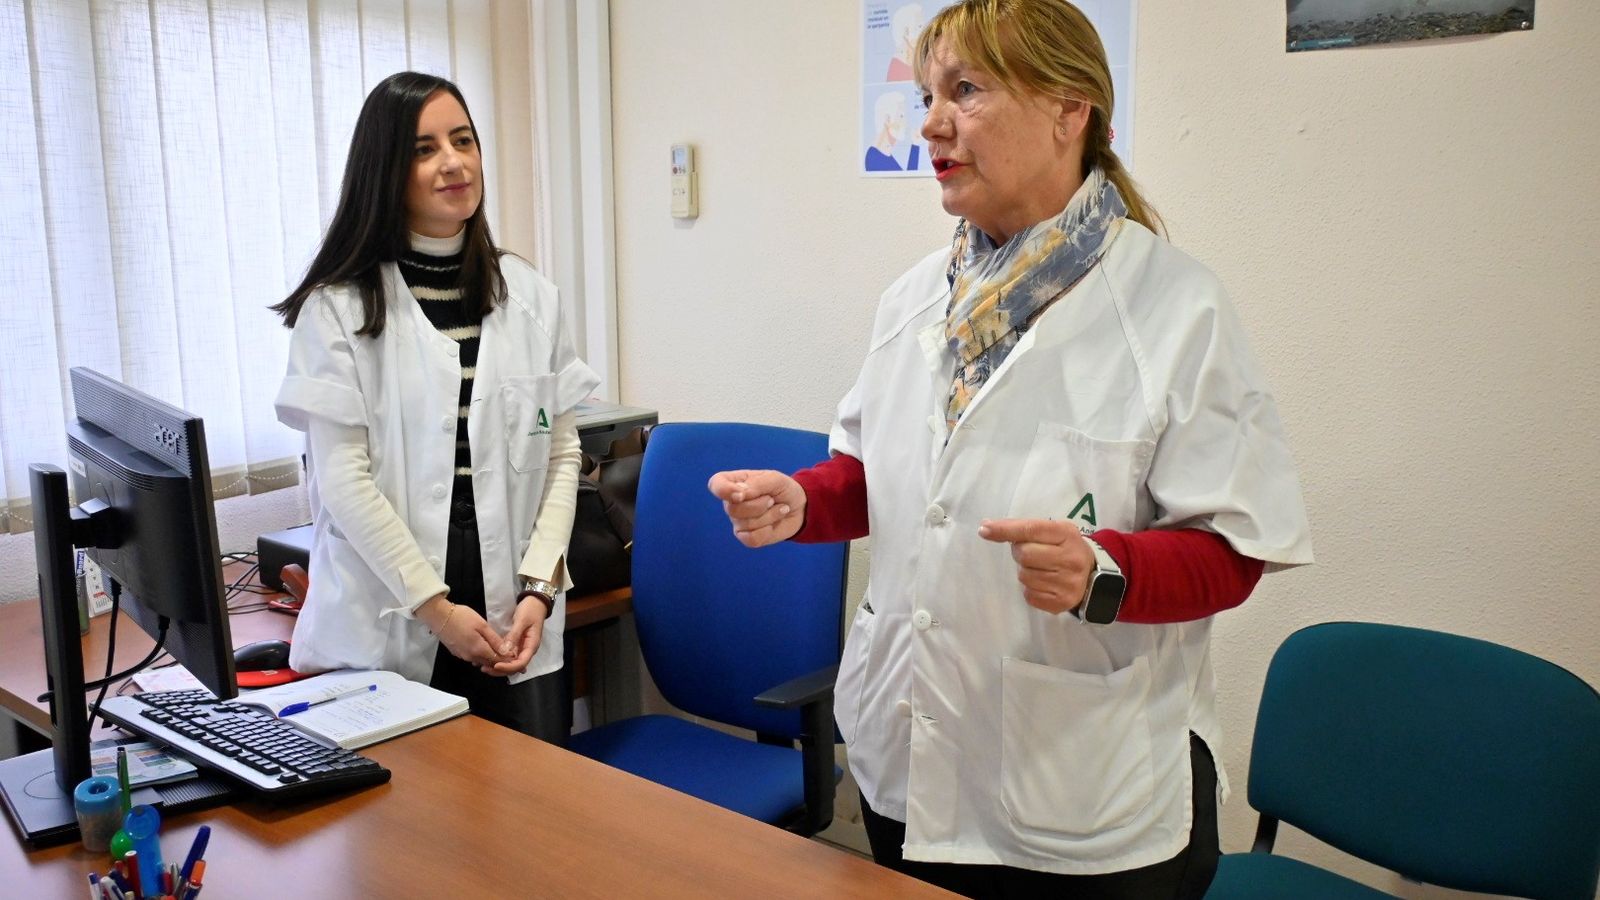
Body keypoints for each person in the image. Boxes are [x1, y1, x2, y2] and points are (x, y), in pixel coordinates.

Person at [708, 1, 1313, 897]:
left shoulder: (1177, 310)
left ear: (1072, 110)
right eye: (926, 95)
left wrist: (1108, 570)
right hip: (907, 754)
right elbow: (880, 477)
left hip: (1084, 795)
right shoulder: (915, 298)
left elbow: (1235, 550)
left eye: (967, 90)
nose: (931, 123)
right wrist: (806, 503)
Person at [271, 72, 599, 744]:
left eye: (463, 140)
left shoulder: (531, 297)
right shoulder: (339, 309)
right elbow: (343, 481)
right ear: (386, 171)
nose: (454, 162)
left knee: (529, 820)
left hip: (513, 608)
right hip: (396, 613)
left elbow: (562, 449)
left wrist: (541, 586)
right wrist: (436, 609)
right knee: (407, 835)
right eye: (424, 149)